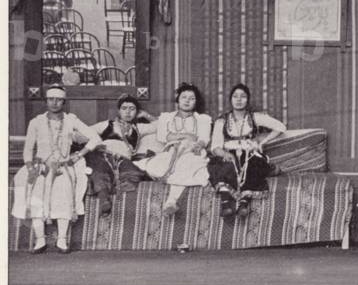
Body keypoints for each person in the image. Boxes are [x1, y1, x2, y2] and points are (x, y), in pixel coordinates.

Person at [12, 85, 101, 252]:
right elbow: (28, 148)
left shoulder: (71, 120)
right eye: (51, 99)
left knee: (64, 194)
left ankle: (61, 240)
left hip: (62, 166)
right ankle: (40, 240)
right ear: (46, 101)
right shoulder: (36, 122)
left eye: (58, 99)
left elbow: (95, 138)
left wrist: (79, 155)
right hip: (41, 166)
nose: (54, 103)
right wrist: (31, 167)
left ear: (64, 102)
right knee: (35, 195)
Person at [208, 83, 287, 218]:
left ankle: (244, 204)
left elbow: (280, 127)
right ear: (230, 99)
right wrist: (224, 153)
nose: (239, 100)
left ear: (248, 99)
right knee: (223, 166)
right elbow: (215, 146)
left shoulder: (255, 117)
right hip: (229, 153)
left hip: (248, 153)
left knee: (253, 164)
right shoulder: (222, 121)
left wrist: (262, 142)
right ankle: (226, 204)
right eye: (235, 96)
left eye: (243, 96)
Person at [136, 82, 212, 216]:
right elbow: (162, 136)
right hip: (171, 152)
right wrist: (186, 135)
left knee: (186, 165)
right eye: (184, 97)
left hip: (193, 152)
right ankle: (171, 200)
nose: (187, 101)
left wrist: (197, 144)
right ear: (178, 99)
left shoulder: (203, 119)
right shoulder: (166, 117)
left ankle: (171, 202)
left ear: (196, 102)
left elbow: (204, 138)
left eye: (192, 98)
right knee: (174, 167)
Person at [83, 94, 158, 215]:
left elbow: (159, 125)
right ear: (118, 111)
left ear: (136, 111)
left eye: (132, 109)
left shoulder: (138, 128)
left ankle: (113, 190)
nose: (128, 112)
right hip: (103, 154)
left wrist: (145, 115)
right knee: (100, 170)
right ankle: (104, 199)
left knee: (134, 172)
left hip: (122, 159)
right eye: (124, 108)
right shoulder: (107, 124)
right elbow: (83, 132)